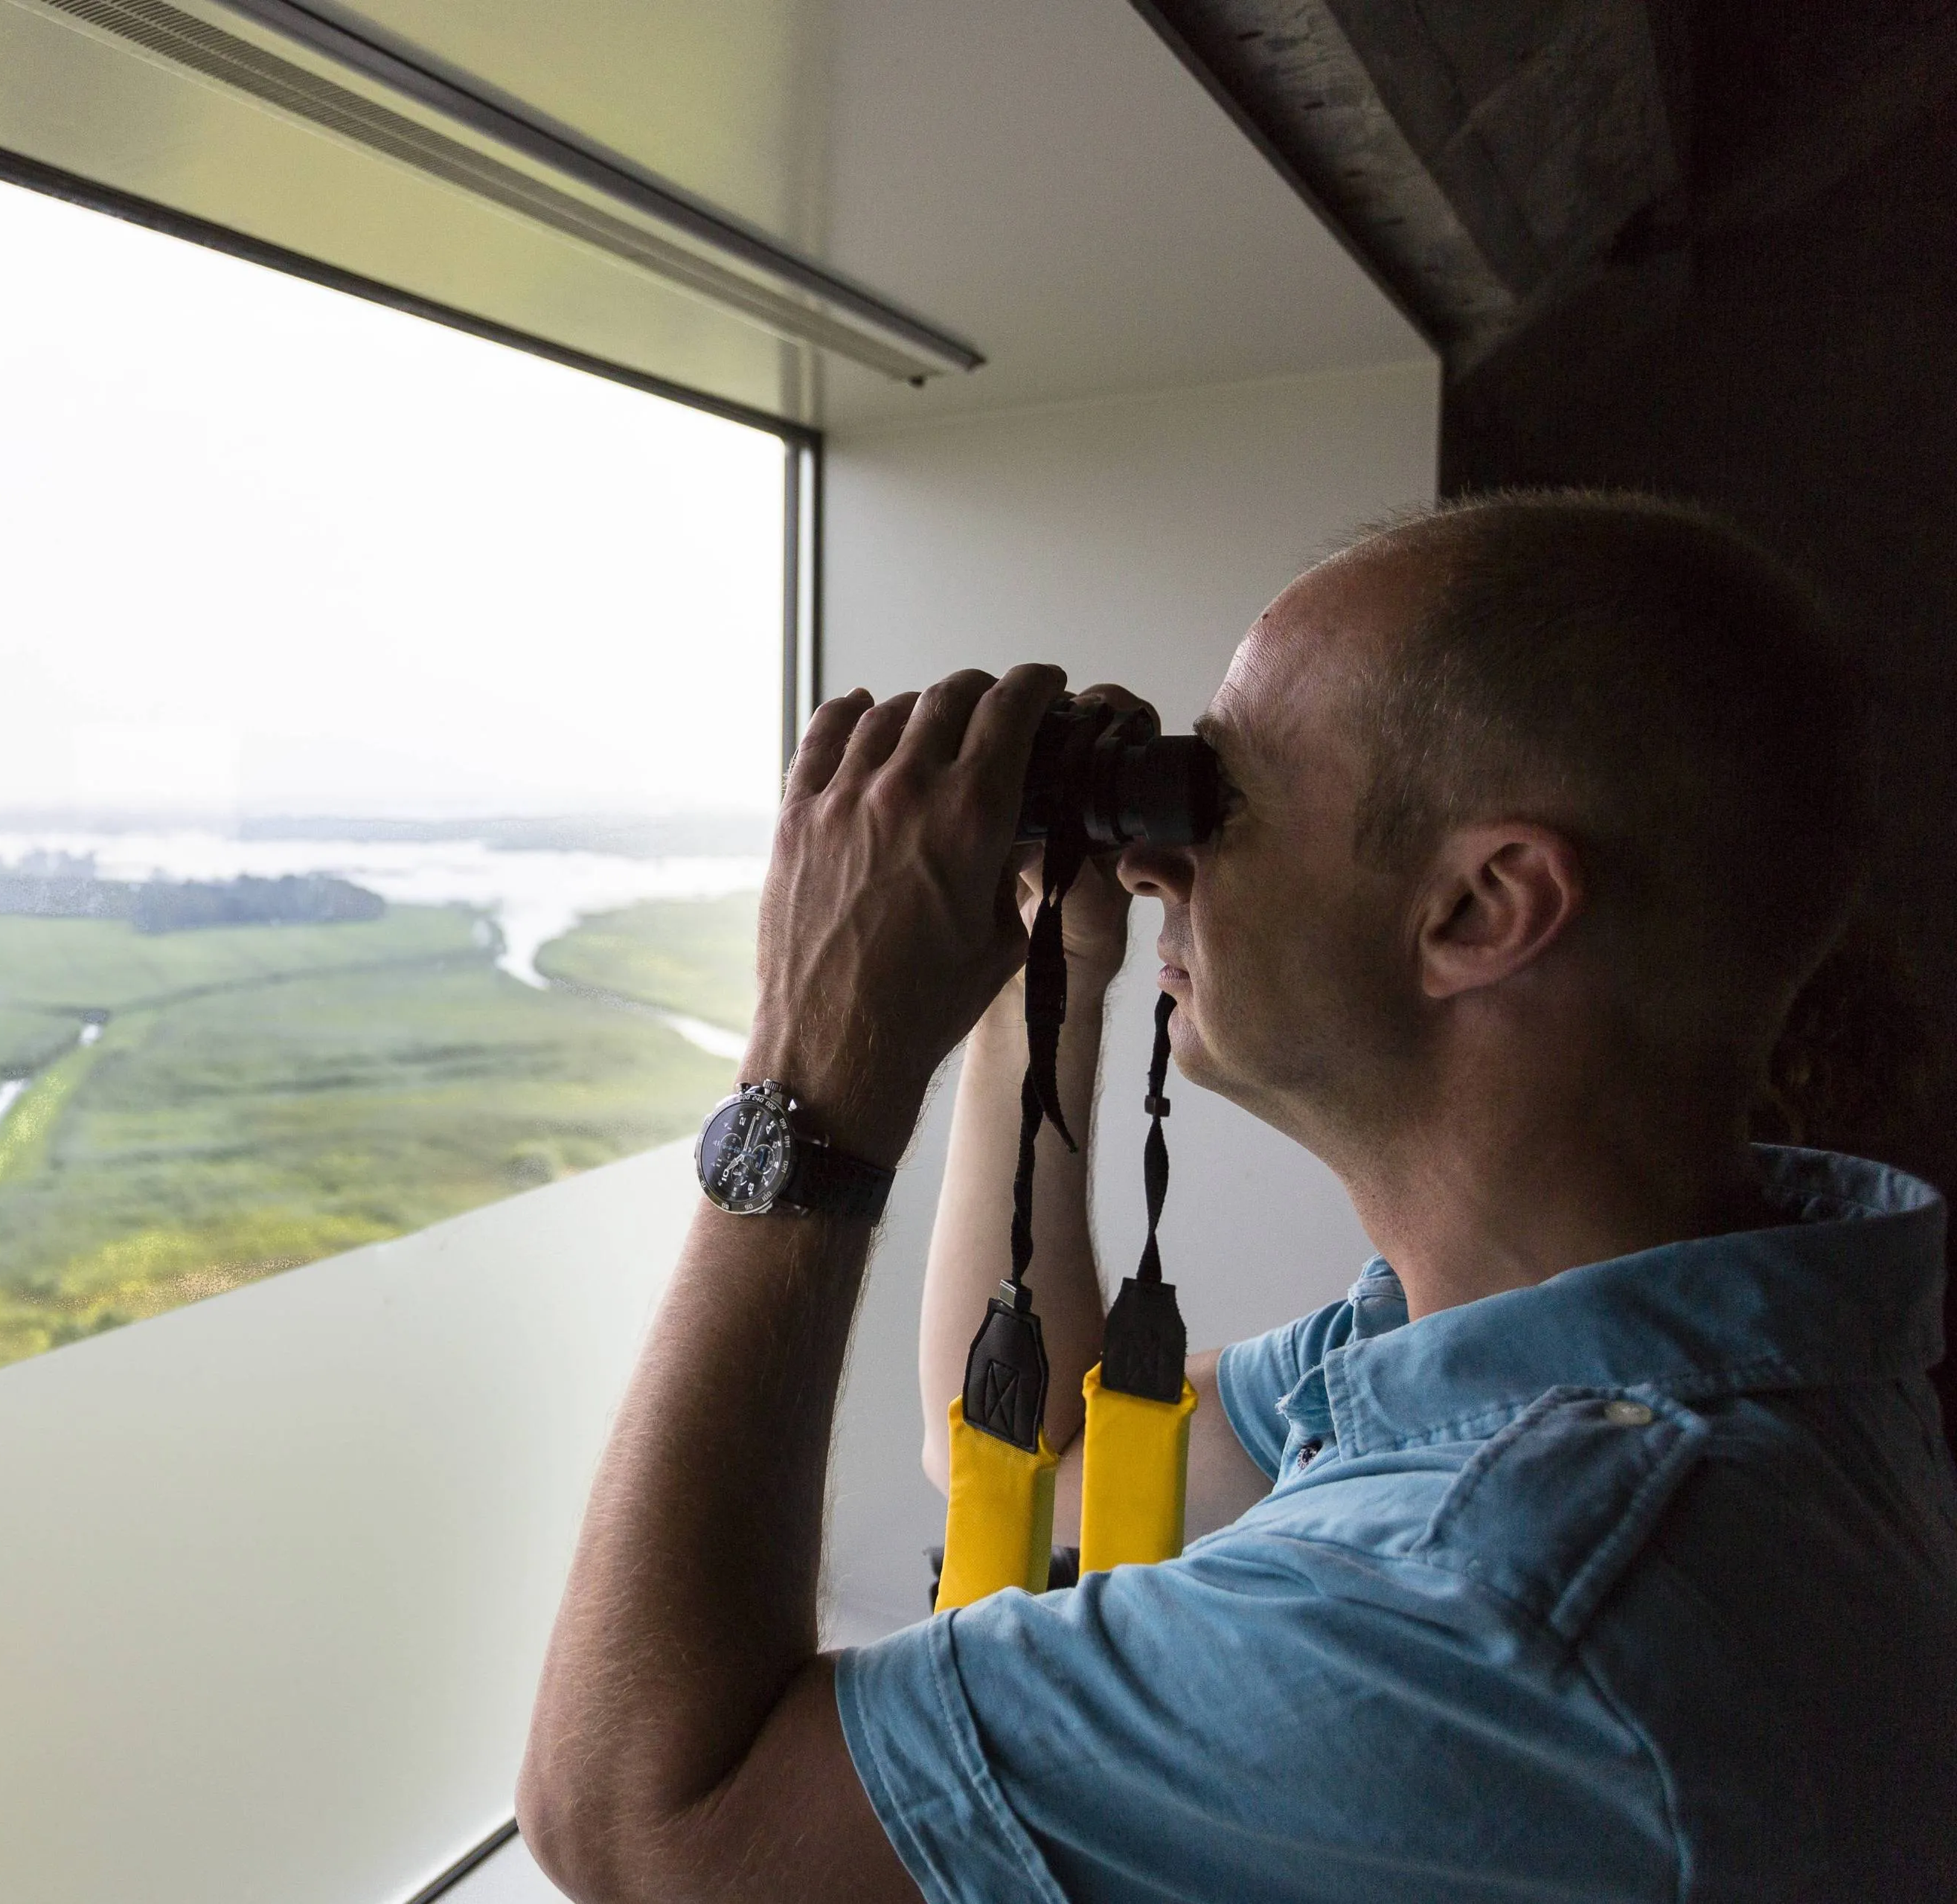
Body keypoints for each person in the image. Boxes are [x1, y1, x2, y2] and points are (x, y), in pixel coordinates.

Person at [516, 492, 1957, 1901]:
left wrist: (815, 1074)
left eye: (1230, 797)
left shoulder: (1489, 1598)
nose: (1152, 860)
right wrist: (1043, 998)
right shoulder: (1635, 1344)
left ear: (1477, 908)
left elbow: (651, 1828)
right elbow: (1052, 1452)